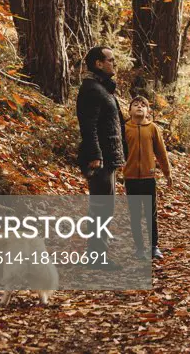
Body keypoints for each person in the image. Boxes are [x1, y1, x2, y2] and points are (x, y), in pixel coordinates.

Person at [76, 45, 127, 269]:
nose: (113, 63)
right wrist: (95, 155)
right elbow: (89, 126)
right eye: (110, 60)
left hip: (109, 158)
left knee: (106, 208)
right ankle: (96, 257)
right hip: (101, 159)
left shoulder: (102, 89)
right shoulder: (91, 89)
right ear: (98, 63)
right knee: (100, 208)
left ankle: (99, 255)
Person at [123, 96, 172, 260]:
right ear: (129, 111)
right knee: (135, 214)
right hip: (130, 178)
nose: (139, 107)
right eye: (135, 105)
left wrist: (167, 173)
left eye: (143, 105)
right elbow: (120, 151)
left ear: (148, 111)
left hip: (148, 177)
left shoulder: (152, 128)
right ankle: (139, 248)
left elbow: (161, 152)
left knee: (151, 213)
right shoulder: (125, 128)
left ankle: (153, 246)